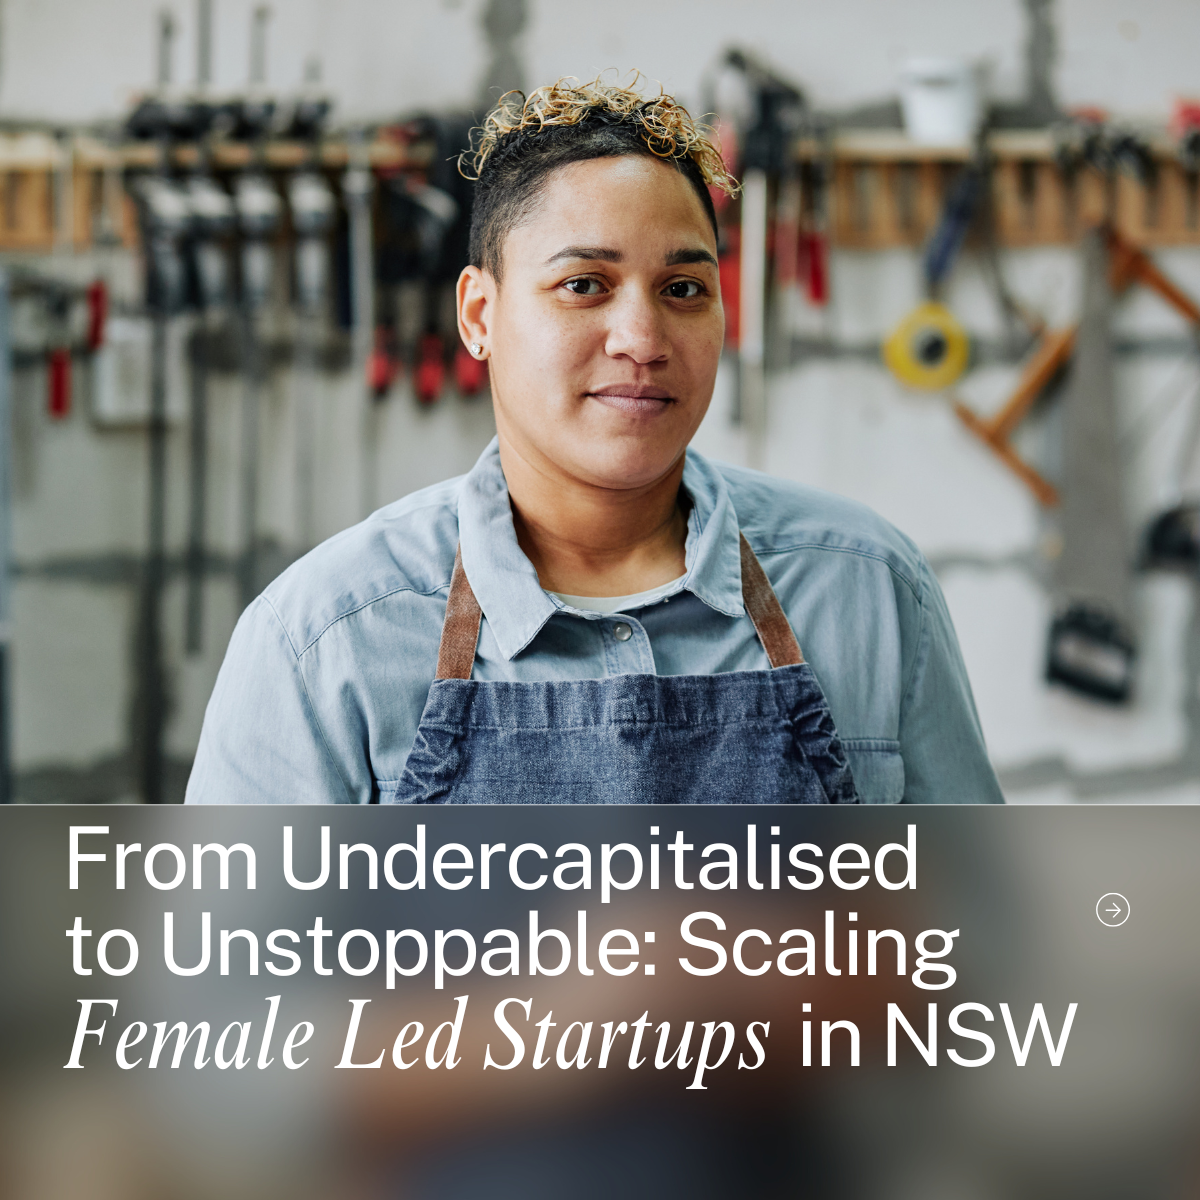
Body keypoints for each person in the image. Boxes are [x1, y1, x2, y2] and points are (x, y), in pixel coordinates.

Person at [186, 77, 1002, 806]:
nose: (642, 339)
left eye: (684, 288)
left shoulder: (867, 590)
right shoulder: (326, 638)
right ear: (478, 316)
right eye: (584, 285)